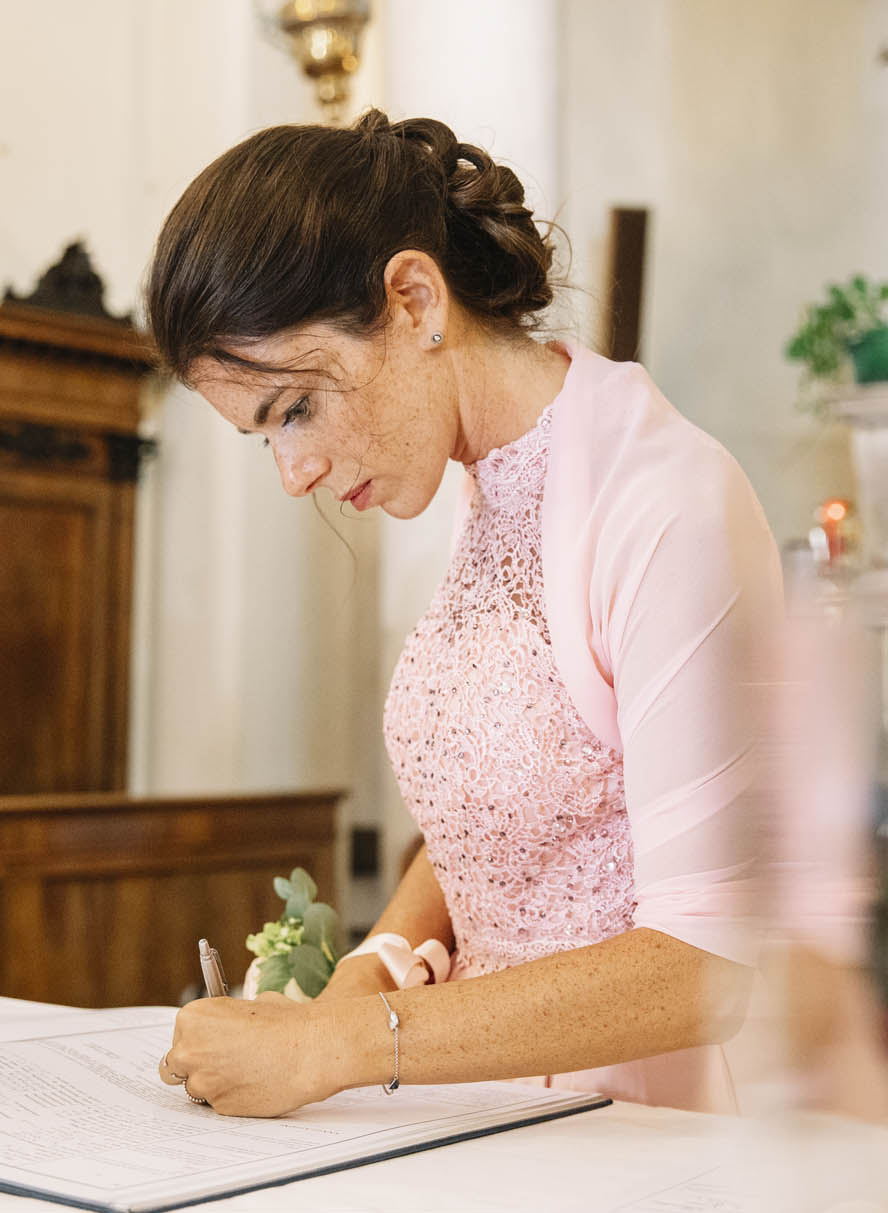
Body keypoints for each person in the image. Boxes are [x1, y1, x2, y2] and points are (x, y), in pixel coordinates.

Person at [152, 109, 784, 1118]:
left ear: (411, 299)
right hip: (480, 1101)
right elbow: (493, 827)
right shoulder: (485, 490)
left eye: (296, 409)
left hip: (638, 1127)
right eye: (260, 437)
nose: (294, 472)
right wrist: (375, 956)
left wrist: (342, 1044)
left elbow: (708, 962)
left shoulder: (665, 502)